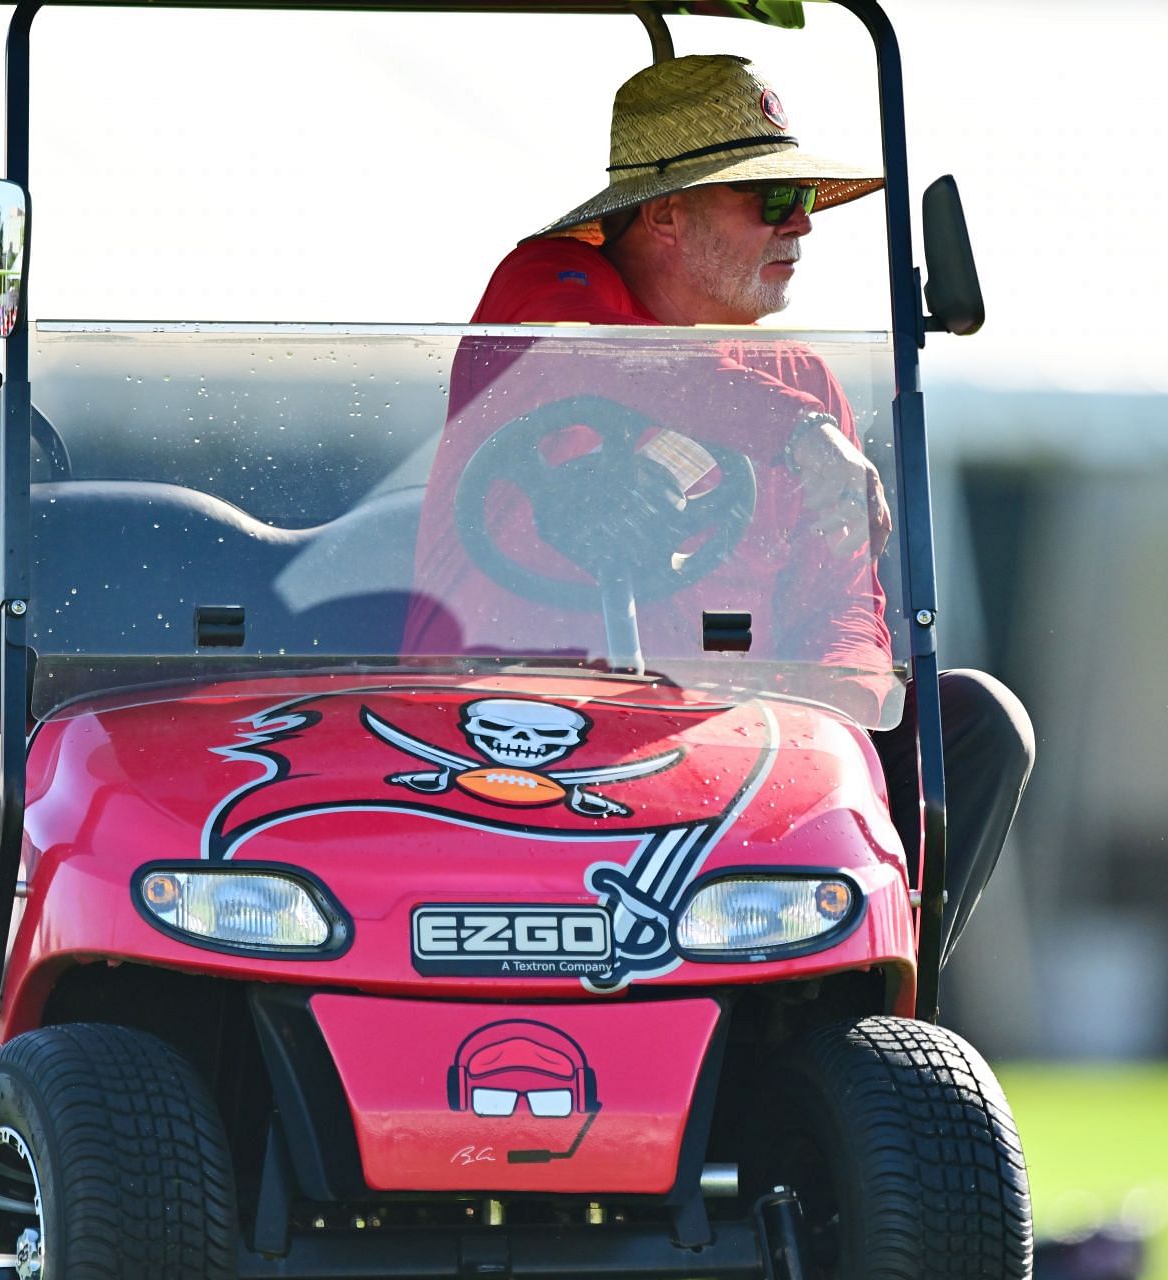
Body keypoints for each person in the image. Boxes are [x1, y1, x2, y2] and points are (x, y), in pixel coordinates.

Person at [408, 53, 1031, 957]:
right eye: (772, 199)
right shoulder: (545, 288)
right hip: (516, 734)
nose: (804, 225)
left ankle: (863, 986)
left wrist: (827, 724)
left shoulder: (805, 382)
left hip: (730, 755)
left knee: (973, 721)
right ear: (665, 213)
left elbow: (846, 617)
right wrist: (793, 430)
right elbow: (601, 363)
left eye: (805, 197)